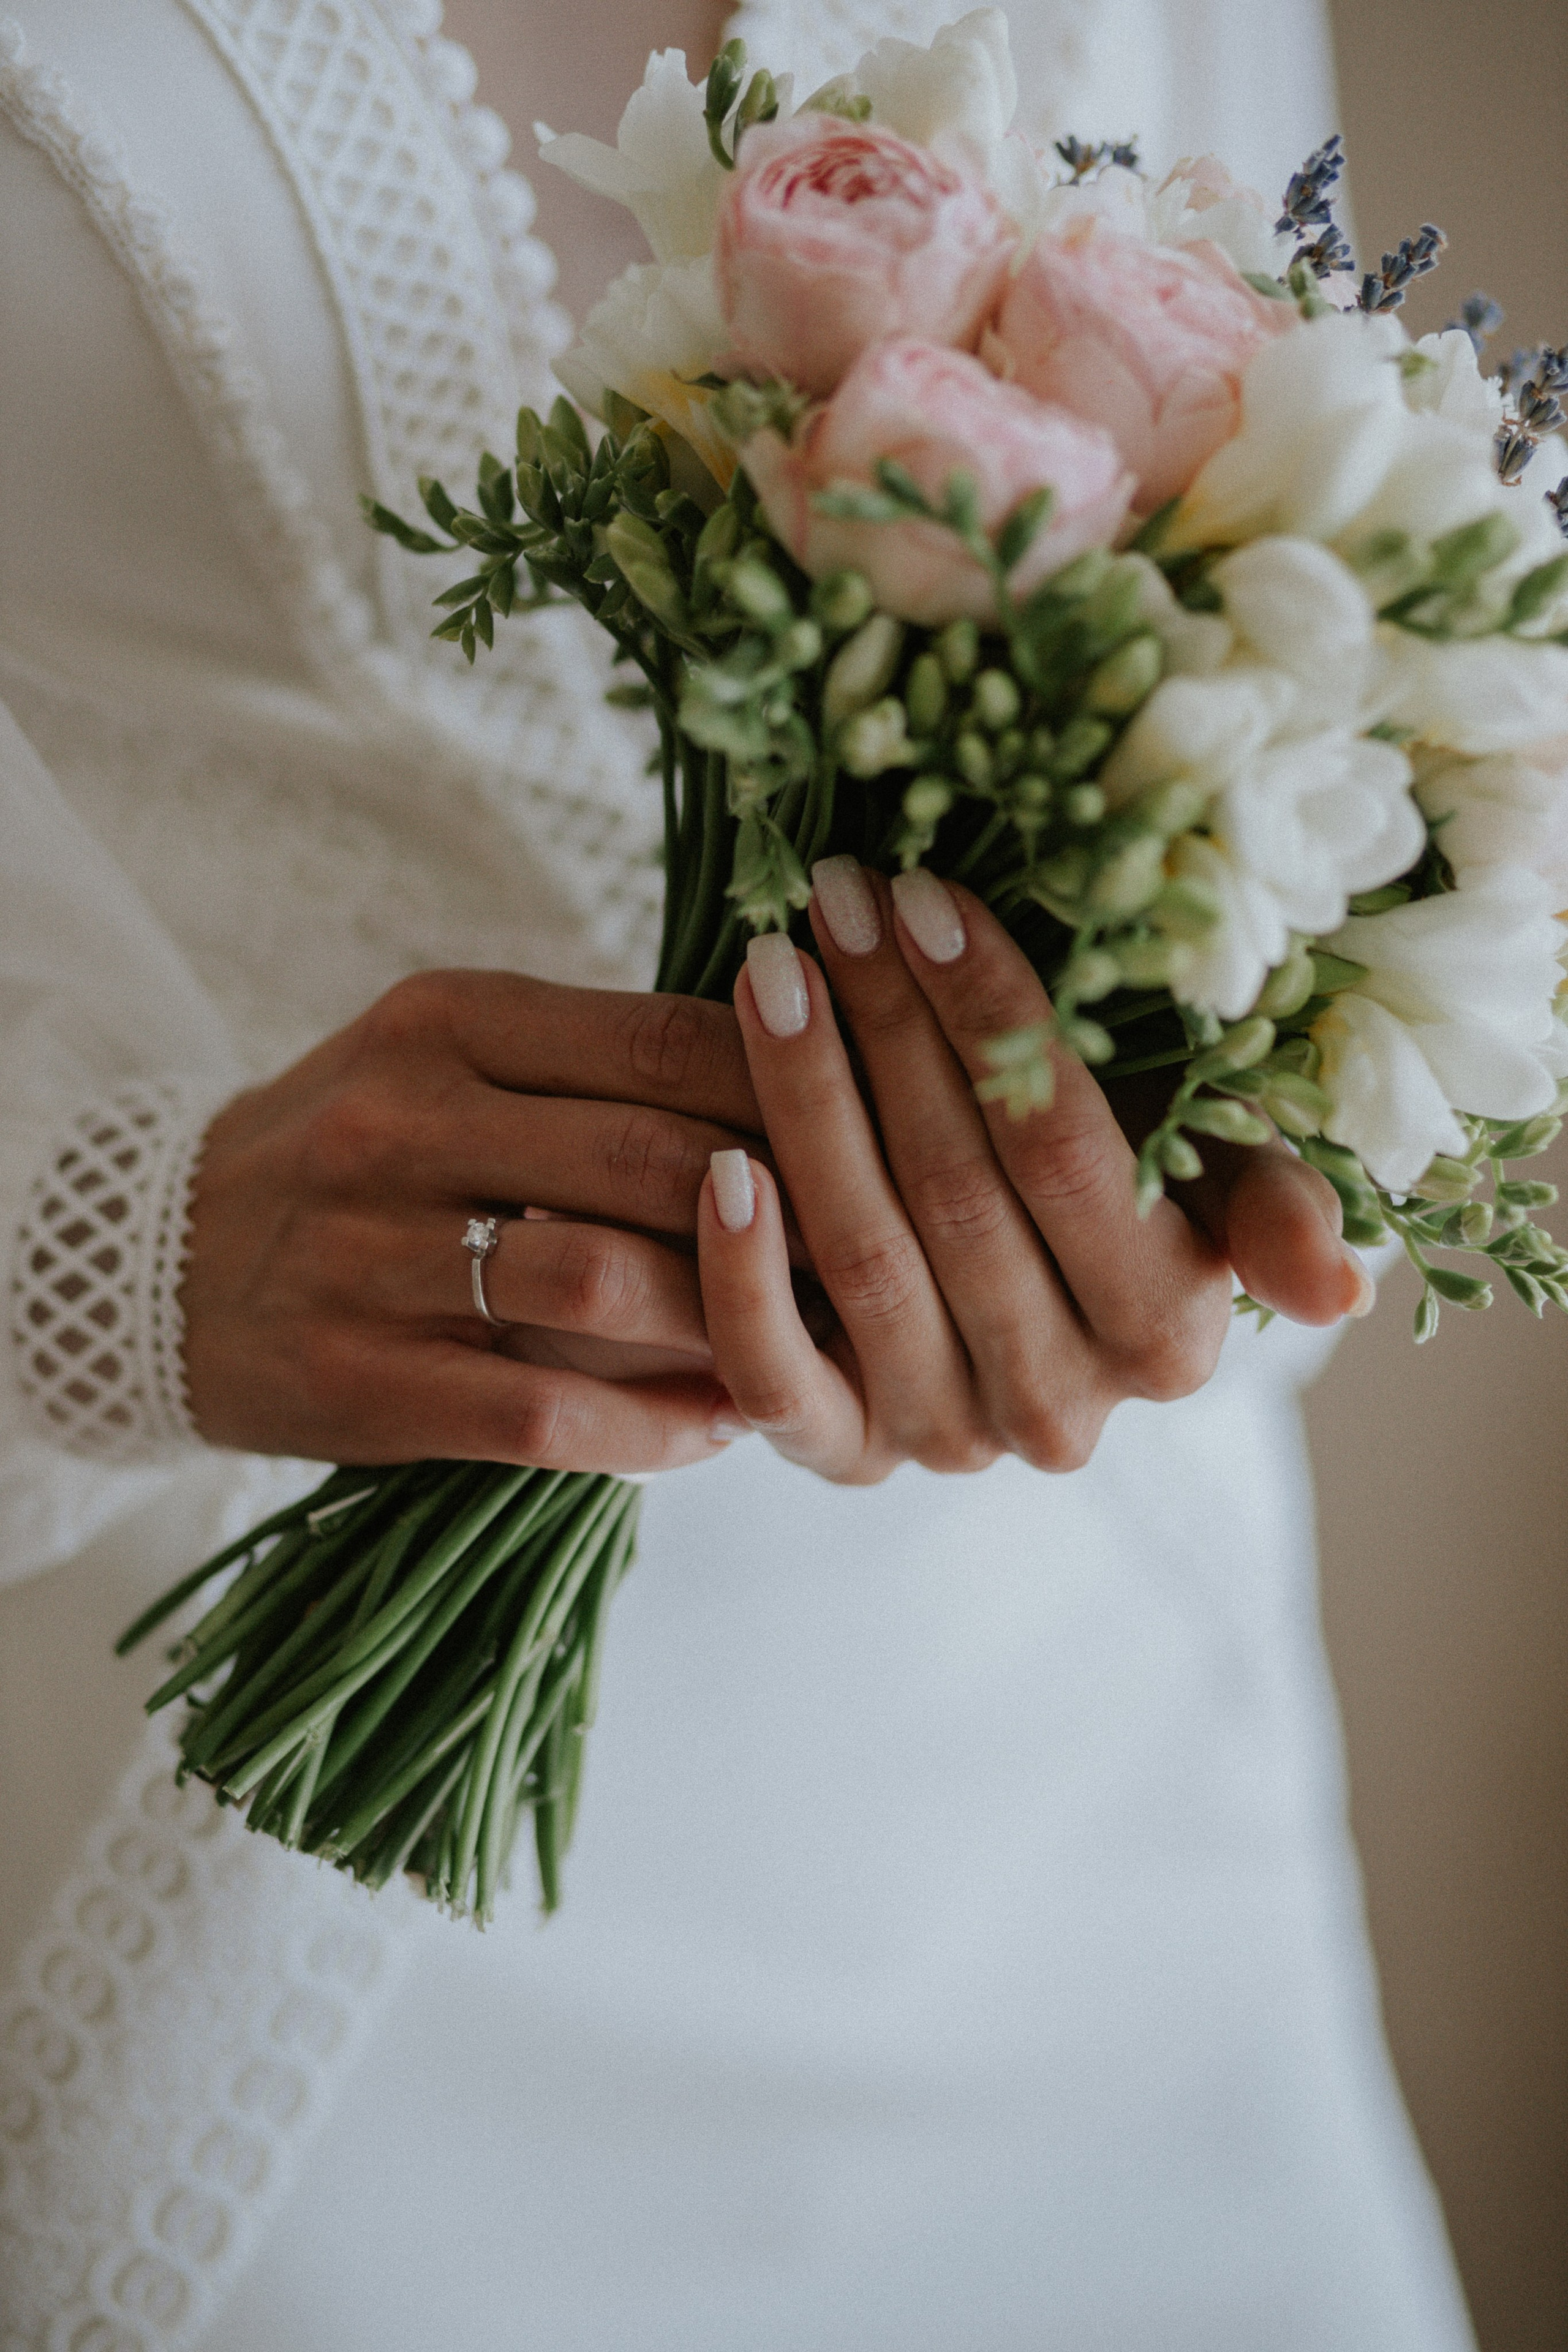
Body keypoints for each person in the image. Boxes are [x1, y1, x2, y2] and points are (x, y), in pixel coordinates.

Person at [0, 1, 1476, 2343]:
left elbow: (1303, 546)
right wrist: (98, 1255)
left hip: (1095, 1840)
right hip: (277, 1899)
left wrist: (1173, 1180)